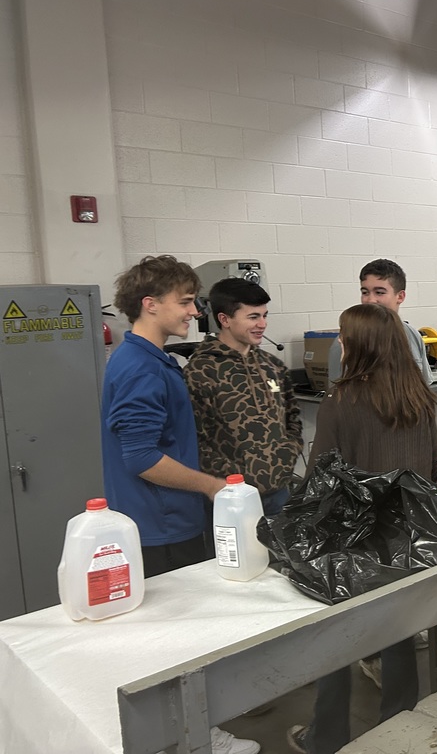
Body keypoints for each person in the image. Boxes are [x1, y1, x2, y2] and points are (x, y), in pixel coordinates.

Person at [101, 256, 260, 754]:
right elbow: (141, 457)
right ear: (150, 304)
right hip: (162, 522)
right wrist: (210, 486)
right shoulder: (140, 367)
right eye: (186, 302)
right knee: (175, 641)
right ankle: (194, 739)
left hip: (165, 518)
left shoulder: (149, 359)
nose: (194, 312)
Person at [287, 303, 437, 754]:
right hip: (407, 537)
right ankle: (399, 723)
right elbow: (434, 467)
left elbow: (320, 480)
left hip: (354, 541)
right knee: (397, 631)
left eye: (343, 335)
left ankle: (326, 736)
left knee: (334, 637)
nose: (338, 342)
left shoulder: (340, 402)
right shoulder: (419, 397)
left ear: (359, 345)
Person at [184, 278, 303, 516]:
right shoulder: (200, 371)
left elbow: (292, 418)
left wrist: (287, 455)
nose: (262, 324)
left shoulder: (272, 366)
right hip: (231, 496)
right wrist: (230, 477)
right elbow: (195, 440)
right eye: (253, 317)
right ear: (225, 319)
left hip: (279, 492)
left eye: (264, 316)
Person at [327, 258, 432, 386]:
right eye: (365, 292)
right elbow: (339, 393)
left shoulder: (412, 335)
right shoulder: (346, 341)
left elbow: (423, 387)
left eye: (379, 292)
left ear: (400, 296)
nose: (370, 300)